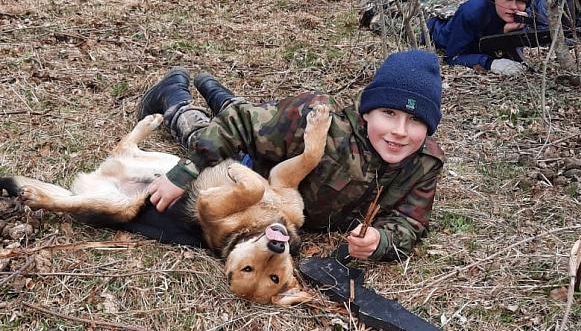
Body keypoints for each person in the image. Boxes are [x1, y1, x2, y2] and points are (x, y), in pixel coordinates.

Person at [136, 50, 445, 262]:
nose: (400, 131)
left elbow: (409, 222)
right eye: (389, 113)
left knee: (248, 112)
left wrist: (381, 241)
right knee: (206, 132)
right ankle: (172, 96)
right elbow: (240, 125)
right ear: (367, 112)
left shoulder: (424, 163)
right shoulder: (320, 118)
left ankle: (214, 88)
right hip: (253, 177)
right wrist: (187, 171)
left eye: (415, 121)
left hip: (287, 202)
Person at [426, 0, 534, 75]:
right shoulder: (471, 13)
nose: (514, 6)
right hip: (434, 28)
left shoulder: (521, 15)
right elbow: (452, 57)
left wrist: (508, 32)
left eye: (520, 0)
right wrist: (490, 63)